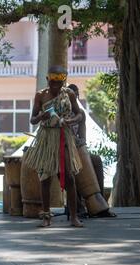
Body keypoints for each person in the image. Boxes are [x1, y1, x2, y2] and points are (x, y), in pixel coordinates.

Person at [24, 66, 83, 228]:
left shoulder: (69, 94)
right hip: (47, 138)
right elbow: (33, 120)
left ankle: (73, 217)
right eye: (52, 82)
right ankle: (46, 217)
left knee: (69, 177)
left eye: (59, 82)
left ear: (63, 81)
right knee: (45, 178)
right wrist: (41, 116)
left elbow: (79, 114)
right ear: (47, 80)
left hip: (64, 137)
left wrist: (71, 121)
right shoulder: (40, 95)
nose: (55, 85)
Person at [65, 84, 116, 218]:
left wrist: (80, 143)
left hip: (77, 149)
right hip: (63, 151)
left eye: (76, 96)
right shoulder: (62, 112)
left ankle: (99, 204)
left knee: (96, 160)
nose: (74, 99)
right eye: (71, 96)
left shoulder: (80, 114)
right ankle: (78, 207)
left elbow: (83, 137)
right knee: (71, 167)